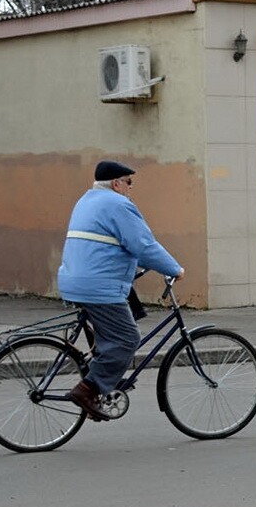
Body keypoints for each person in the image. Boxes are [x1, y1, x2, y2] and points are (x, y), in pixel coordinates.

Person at [57, 160, 183, 421]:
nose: (131, 188)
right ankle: (88, 389)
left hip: (75, 279)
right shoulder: (118, 204)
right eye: (129, 182)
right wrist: (174, 269)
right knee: (128, 338)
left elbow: (109, 243)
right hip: (98, 286)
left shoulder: (86, 200)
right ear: (116, 184)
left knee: (127, 317)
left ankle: (103, 385)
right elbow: (143, 244)